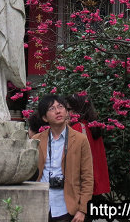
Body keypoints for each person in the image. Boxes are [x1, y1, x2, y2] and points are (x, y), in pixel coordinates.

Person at [35, 94, 93, 222]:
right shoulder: (36, 140)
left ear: (67, 112)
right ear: (45, 118)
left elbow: (87, 177)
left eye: (60, 106)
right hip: (41, 204)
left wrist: (83, 210)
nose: (58, 111)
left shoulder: (80, 140)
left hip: (67, 207)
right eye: (51, 108)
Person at [67, 93, 111, 197]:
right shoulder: (93, 126)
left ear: (76, 109)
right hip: (95, 183)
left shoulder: (77, 127)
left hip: (82, 186)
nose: (66, 112)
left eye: (69, 109)